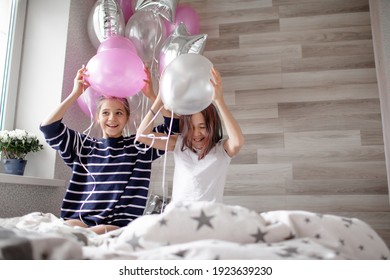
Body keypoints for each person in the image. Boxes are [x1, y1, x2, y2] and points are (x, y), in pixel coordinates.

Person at [40, 65, 179, 234]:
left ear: (127, 118)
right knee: (65, 231)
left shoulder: (139, 145)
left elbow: (174, 129)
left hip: (117, 224)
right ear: (98, 118)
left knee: (95, 234)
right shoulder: (83, 146)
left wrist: (151, 95)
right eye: (105, 113)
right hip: (80, 219)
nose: (112, 118)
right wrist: (75, 93)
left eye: (119, 113)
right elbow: (48, 128)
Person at [136, 67, 244, 203]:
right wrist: (157, 99)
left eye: (202, 127)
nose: (196, 133)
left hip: (207, 219)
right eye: (191, 128)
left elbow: (238, 141)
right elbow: (142, 135)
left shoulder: (222, 150)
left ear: (212, 126)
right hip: (178, 217)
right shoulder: (179, 144)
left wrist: (219, 101)